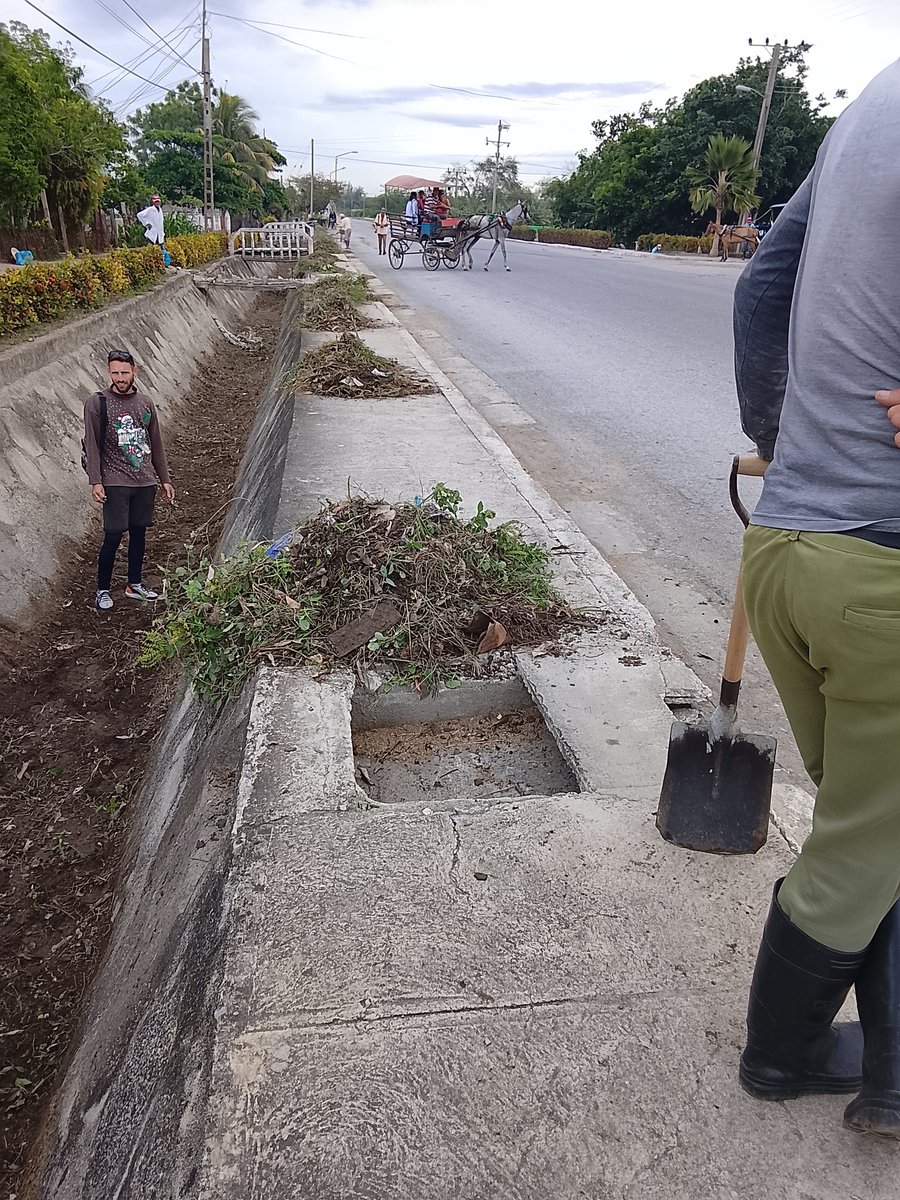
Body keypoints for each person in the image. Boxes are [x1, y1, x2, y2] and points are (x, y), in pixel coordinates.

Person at [733, 57, 900, 1140]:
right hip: (881, 573)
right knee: (862, 843)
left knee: (878, 823)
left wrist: (778, 446)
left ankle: (884, 1078)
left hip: (789, 554)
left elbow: (759, 287)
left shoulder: (871, 104)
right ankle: (780, 1054)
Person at [83, 350, 175, 611]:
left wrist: (164, 478)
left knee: (139, 534)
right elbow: (92, 445)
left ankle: (134, 584)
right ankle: (102, 589)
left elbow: (155, 442)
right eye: (115, 372)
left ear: (136, 371)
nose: (120, 378)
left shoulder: (145, 403)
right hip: (115, 481)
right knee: (112, 536)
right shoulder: (97, 403)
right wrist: (96, 481)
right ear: (108, 372)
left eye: (125, 372)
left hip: (144, 481)